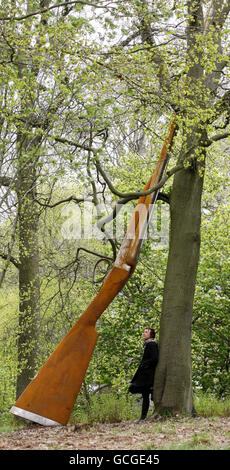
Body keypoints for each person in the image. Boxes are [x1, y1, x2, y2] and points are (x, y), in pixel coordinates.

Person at [128, 327, 158, 422]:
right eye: (144, 332)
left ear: (151, 335)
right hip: (146, 375)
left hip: (147, 376)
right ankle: (142, 417)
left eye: (146, 332)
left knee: (145, 395)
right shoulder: (148, 344)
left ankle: (143, 417)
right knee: (145, 395)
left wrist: (144, 365)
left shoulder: (152, 344)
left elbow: (154, 359)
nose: (144, 333)